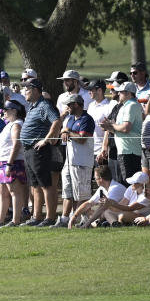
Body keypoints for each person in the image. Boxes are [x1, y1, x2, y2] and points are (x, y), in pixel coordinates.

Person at [19, 79, 62, 226]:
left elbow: (56, 121)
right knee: (35, 186)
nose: (25, 91)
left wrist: (46, 140)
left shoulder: (44, 105)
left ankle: (50, 218)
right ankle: (36, 217)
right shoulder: (33, 106)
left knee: (46, 185)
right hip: (29, 150)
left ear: (36, 90)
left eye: (27, 89)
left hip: (39, 150)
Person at [57, 93, 95, 228]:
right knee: (67, 192)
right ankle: (64, 219)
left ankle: (78, 220)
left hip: (82, 162)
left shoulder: (87, 119)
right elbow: (65, 134)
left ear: (77, 105)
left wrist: (67, 132)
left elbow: (82, 139)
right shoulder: (70, 119)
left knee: (81, 195)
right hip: (69, 161)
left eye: (69, 104)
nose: (67, 107)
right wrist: (65, 131)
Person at [100, 81, 143, 182]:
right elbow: (119, 129)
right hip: (125, 150)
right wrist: (109, 127)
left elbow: (125, 128)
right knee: (125, 182)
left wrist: (111, 125)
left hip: (129, 152)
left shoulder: (131, 105)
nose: (118, 93)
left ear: (128, 93)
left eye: (121, 92)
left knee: (128, 183)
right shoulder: (126, 106)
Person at [0, 99, 26, 227]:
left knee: (14, 191)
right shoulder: (9, 124)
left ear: (14, 111)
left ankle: (15, 220)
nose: (3, 112)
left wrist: (10, 164)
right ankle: (0, 220)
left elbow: (16, 144)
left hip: (12, 162)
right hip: (3, 162)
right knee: (2, 192)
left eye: (6, 110)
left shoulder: (17, 124)